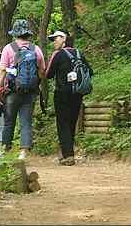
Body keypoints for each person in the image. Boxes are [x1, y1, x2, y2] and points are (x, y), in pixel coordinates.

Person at [0, 19, 46, 160]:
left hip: (12, 92)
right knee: (26, 121)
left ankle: (5, 149)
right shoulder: (36, 49)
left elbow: (2, 70)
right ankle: (23, 152)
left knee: (9, 121)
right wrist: (36, 82)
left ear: (15, 33)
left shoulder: (8, 48)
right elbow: (42, 70)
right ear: (28, 34)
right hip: (30, 93)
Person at [45, 30, 93, 165]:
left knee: (62, 122)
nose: (54, 41)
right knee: (71, 122)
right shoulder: (79, 53)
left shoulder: (58, 54)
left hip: (62, 93)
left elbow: (48, 74)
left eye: (56, 38)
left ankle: (68, 155)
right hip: (77, 93)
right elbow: (90, 71)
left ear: (64, 39)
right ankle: (67, 151)